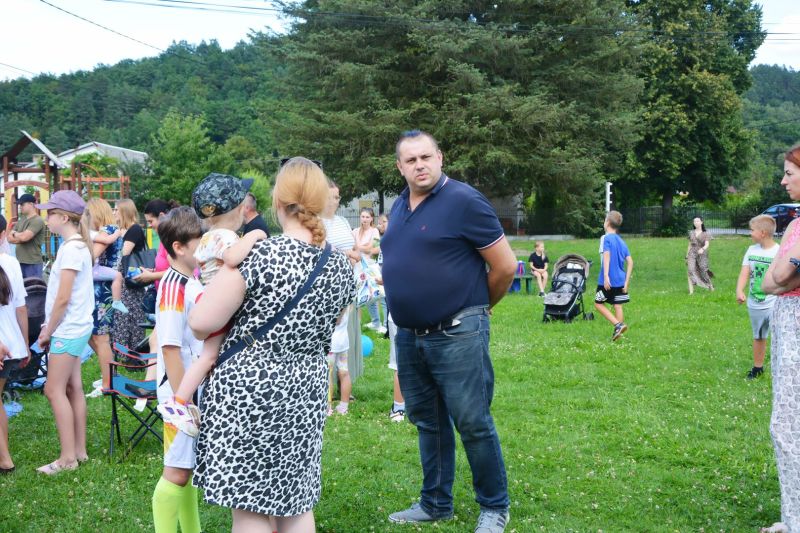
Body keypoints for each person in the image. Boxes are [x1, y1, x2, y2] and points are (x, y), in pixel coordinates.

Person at [190, 157, 355, 532]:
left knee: (249, 507)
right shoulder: (341, 266)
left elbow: (201, 323)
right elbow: (334, 323)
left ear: (278, 202)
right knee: (295, 503)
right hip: (306, 390)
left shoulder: (260, 254)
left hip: (249, 389)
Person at [381, 130, 517, 533]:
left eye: (426, 157)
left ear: (440, 158)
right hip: (410, 334)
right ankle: (435, 503)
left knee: (472, 421)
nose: (420, 165)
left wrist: (479, 309)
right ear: (400, 167)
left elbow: (505, 266)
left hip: (458, 331)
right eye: (411, 160)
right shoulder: (400, 204)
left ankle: (494, 506)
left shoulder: (464, 201)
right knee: (428, 422)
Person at [158, 173, 267, 436]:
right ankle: (179, 403)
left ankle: (179, 401)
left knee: (208, 356)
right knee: (209, 357)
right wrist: (255, 235)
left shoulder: (208, 237)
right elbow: (232, 258)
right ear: (239, 208)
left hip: (211, 301)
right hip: (219, 306)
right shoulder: (225, 237)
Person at [150, 207, 205, 533]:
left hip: (187, 392)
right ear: (179, 247)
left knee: (186, 469)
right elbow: (169, 347)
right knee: (176, 471)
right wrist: (184, 401)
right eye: (199, 241)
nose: (204, 246)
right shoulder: (173, 286)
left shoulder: (189, 279)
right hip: (179, 395)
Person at [34, 191, 95, 474]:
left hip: (68, 329)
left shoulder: (71, 249)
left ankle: (67, 459)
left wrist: (48, 330)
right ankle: (79, 451)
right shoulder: (78, 245)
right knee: (73, 387)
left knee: (53, 389)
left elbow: (63, 298)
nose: (46, 218)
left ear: (63, 217)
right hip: (78, 326)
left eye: (50, 213)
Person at [760, 143, 800, 533]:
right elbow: (771, 279)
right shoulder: (793, 226)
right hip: (786, 322)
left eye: (789, 173)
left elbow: (784, 276)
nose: (783, 181)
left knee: (788, 425)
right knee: (787, 424)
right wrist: (781, 278)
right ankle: (792, 517)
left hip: (796, 322)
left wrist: (782, 278)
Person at [321, 180, 362, 386]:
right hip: (329, 288)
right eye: (331, 197)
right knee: (332, 337)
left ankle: (345, 382)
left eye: (337, 197)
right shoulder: (317, 223)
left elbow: (355, 248)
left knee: (347, 335)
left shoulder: (343, 221)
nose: (335, 201)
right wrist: (346, 254)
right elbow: (319, 251)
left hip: (350, 284)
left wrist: (354, 255)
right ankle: (326, 386)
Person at [84, 198, 124, 393]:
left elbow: (90, 257)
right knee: (94, 336)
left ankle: (108, 384)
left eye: (88, 214)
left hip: (103, 291)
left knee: (100, 338)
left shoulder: (107, 230)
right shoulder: (110, 230)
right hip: (103, 288)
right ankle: (110, 375)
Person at [0, 214, 30, 474]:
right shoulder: (11, 263)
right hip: (13, 344)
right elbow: (21, 308)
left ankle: (5, 460)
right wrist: (25, 344)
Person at [735, 214, 778, 380]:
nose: (750, 233)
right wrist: (740, 290)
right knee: (759, 335)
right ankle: (758, 367)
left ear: (763, 233)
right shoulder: (751, 250)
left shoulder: (779, 252)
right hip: (755, 302)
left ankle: (781, 366)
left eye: (752, 230)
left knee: (779, 336)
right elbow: (745, 272)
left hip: (774, 302)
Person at [111, 199, 150, 350]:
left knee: (131, 317)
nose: (114, 212)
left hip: (130, 280)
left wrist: (119, 235)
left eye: (116, 209)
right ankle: (126, 352)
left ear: (124, 211)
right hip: (126, 279)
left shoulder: (134, 229)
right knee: (125, 317)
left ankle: (133, 353)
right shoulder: (127, 229)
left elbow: (124, 253)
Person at [593, 210, 633, 342]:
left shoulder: (607, 238)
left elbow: (606, 256)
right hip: (621, 280)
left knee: (598, 304)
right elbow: (630, 262)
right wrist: (626, 282)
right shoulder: (621, 241)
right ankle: (618, 334)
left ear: (607, 223)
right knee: (617, 305)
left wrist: (606, 276)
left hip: (608, 280)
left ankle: (618, 325)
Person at [353, 207, 385, 333]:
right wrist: (365, 247)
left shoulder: (374, 231)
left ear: (372, 218)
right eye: (363, 216)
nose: (364, 219)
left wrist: (359, 247)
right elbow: (355, 248)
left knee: (377, 294)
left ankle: (382, 325)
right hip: (357, 266)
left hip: (370, 266)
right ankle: (371, 322)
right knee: (362, 295)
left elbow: (374, 249)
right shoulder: (355, 231)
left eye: (367, 217)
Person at [6, 193, 46, 279]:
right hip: (19, 261)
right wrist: (21, 237)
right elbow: (9, 238)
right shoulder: (22, 219)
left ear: (31, 204)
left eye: (22, 204)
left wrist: (15, 234)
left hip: (33, 264)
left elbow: (24, 237)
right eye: (19, 204)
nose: (20, 206)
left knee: (33, 287)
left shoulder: (37, 220)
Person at [687, 216, 714, 294]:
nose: (696, 223)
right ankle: (692, 290)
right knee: (690, 270)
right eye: (694, 221)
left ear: (701, 222)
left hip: (702, 253)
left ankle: (710, 285)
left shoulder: (706, 233)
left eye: (698, 221)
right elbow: (689, 244)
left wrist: (702, 249)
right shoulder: (691, 233)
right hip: (692, 253)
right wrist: (687, 255)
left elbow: (707, 244)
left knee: (703, 270)